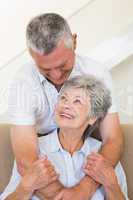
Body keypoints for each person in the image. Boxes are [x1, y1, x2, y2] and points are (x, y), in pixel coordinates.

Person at [7, 13, 123, 199]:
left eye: (62, 65)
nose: (56, 75)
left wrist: (84, 189)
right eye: (45, 69)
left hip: (85, 135)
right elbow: (25, 158)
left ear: (74, 42)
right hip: (41, 146)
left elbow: (113, 138)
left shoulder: (96, 73)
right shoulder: (23, 82)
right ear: (31, 55)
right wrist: (61, 195)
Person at [1, 75, 128, 200]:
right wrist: (25, 187)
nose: (66, 105)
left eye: (77, 101)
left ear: (92, 117)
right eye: (63, 98)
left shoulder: (104, 156)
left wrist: (112, 185)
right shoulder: (32, 152)